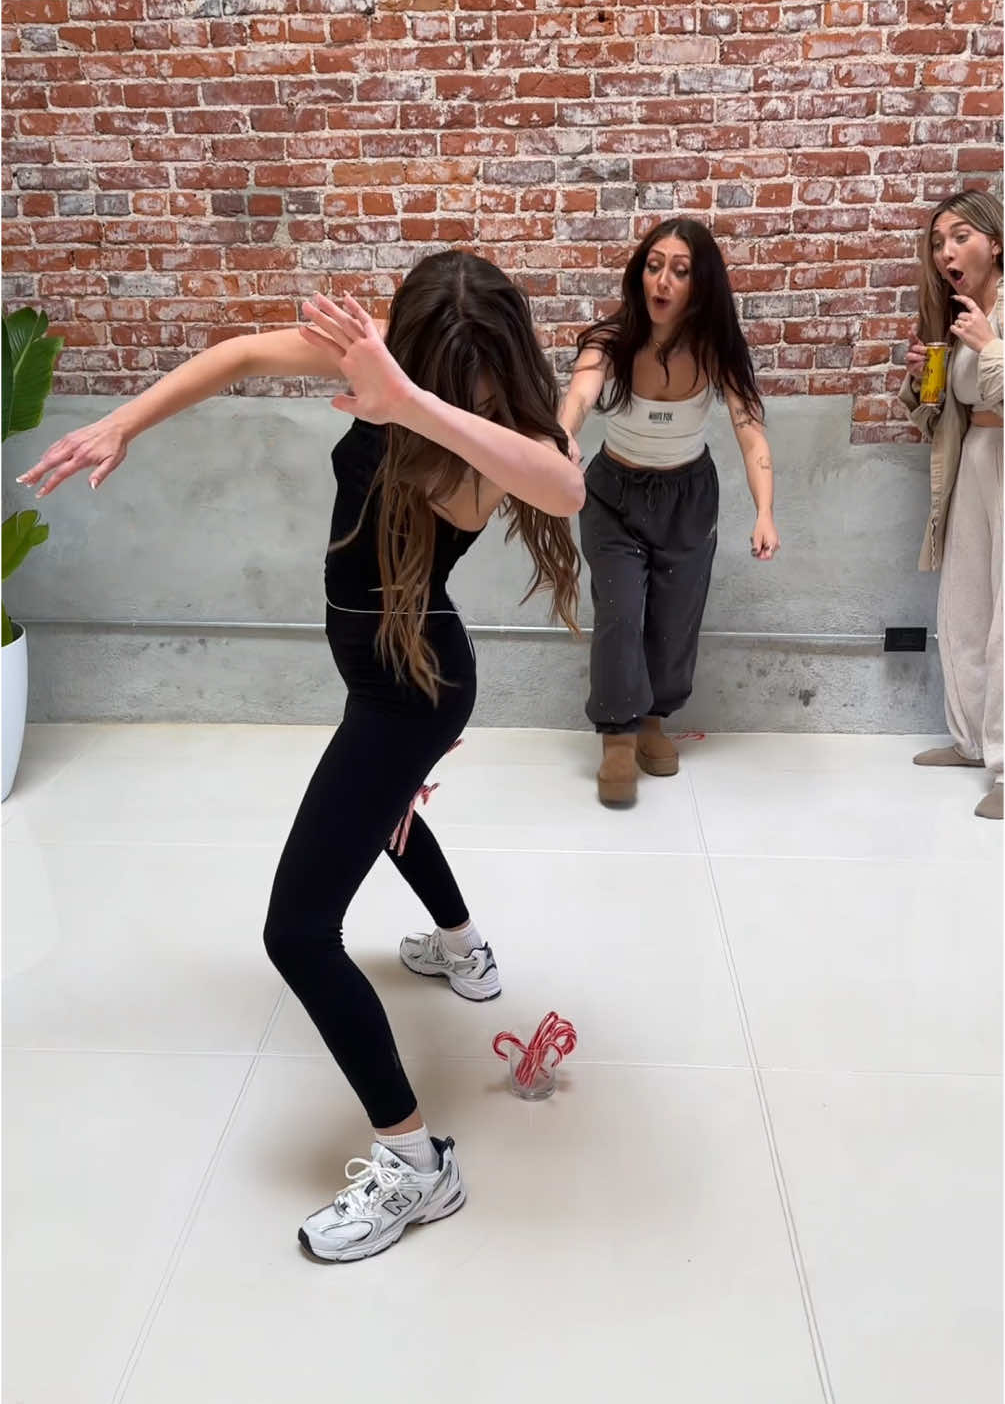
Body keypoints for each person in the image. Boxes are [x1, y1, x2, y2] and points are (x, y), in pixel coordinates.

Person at [18, 249, 584, 1260]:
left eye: (473, 376)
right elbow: (240, 354)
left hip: (414, 686)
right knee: (390, 820)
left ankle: (418, 1166)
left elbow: (563, 489)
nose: (460, 390)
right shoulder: (375, 359)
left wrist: (408, 399)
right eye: (431, 368)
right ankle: (461, 949)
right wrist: (124, 421)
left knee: (296, 931)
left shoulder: (495, 431)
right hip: (387, 669)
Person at [558, 217, 780, 807]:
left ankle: (653, 719)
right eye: (654, 266)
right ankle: (616, 738)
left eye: (679, 271)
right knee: (620, 612)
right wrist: (563, 439)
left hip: (688, 496)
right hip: (614, 494)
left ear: (699, 285)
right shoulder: (609, 340)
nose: (662, 281)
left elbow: (751, 434)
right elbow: (579, 397)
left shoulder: (717, 351)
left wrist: (765, 512)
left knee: (674, 618)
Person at [900, 190, 1004, 820]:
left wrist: (990, 343)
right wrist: (921, 380)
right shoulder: (962, 313)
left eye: (960, 237)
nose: (946, 252)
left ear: (995, 241)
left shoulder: (990, 318)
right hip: (978, 465)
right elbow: (944, 413)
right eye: (939, 242)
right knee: (964, 607)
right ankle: (971, 741)